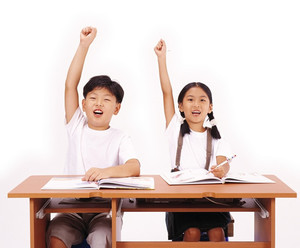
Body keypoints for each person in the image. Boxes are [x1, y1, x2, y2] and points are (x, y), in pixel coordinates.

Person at [46, 27, 140, 248]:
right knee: (57, 236)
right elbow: (70, 85)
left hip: (103, 210)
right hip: (69, 208)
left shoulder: (120, 137)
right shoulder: (76, 126)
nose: (98, 103)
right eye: (93, 98)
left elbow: (134, 166)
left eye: (106, 100)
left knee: (101, 239)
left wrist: (104, 173)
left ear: (116, 108)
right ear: (83, 104)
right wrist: (83, 46)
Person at [154, 39, 232, 242]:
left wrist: (220, 170)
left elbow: (223, 165)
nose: (196, 104)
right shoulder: (174, 131)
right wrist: (162, 59)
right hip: (182, 201)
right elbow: (166, 92)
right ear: (180, 106)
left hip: (209, 200)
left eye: (202, 100)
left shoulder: (217, 139)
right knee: (192, 233)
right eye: (190, 99)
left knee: (217, 233)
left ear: (210, 107)